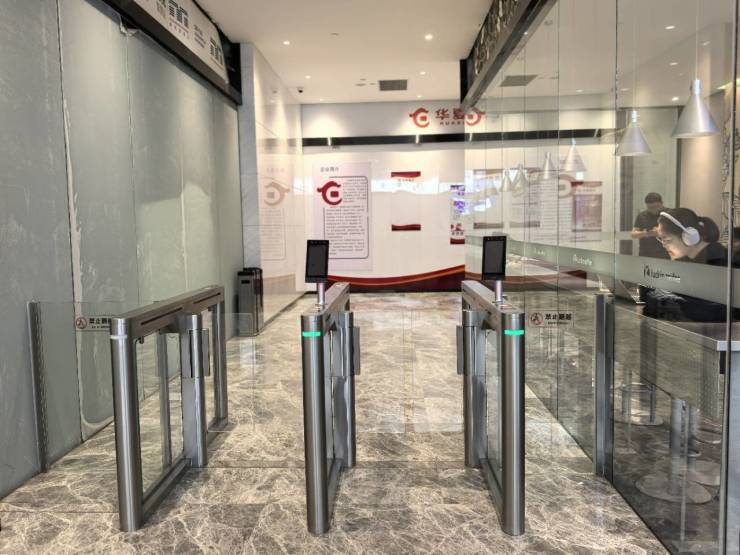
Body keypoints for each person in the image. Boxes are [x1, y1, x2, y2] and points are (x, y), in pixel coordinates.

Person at [656, 208, 726, 265]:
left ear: (688, 236)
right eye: (661, 239)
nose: (663, 245)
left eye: (667, 240)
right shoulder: (688, 261)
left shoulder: (718, 262)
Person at [631, 192, 669, 259]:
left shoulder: (670, 214)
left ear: (662, 203)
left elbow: (678, 233)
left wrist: (661, 232)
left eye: (655, 207)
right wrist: (647, 234)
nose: (653, 210)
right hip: (645, 254)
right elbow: (633, 234)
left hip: (666, 254)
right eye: (649, 207)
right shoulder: (642, 215)